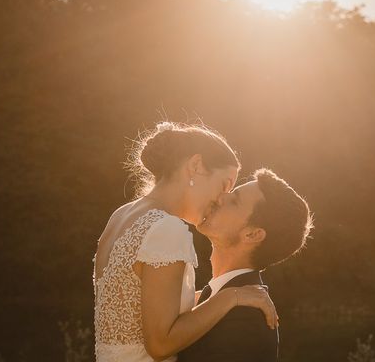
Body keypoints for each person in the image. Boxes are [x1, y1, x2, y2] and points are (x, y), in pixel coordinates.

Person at [93, 122, 278, 362]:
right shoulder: (167, 229)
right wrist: (231, 297)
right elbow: (160, 345)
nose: (220, 200)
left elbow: (139, 306)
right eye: (224, 185)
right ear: (195, 166)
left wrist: (211, 295)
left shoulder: (122, 215)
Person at [178, 168, 313, 362]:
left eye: (234, 201)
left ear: (252, 235)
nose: (220, 197)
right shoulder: (216, 297)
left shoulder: (245, 320)